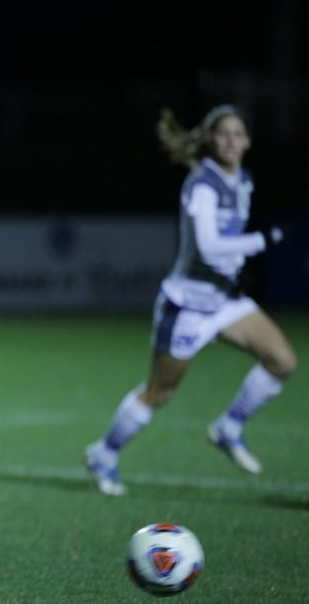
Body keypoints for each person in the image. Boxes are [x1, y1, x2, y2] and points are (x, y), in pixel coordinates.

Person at [84, 105, 296, 496]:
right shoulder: (201, 184)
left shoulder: (243, 179)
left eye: (238, 133)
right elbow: (210, 246)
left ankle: (228, 427)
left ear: (248, 141)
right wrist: (261, 241)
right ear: (210, 141)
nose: (231, 140)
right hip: (187, 307)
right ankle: (104, 453)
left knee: (282, 360)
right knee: (159, 393)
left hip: (225, 301)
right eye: (224, 134)